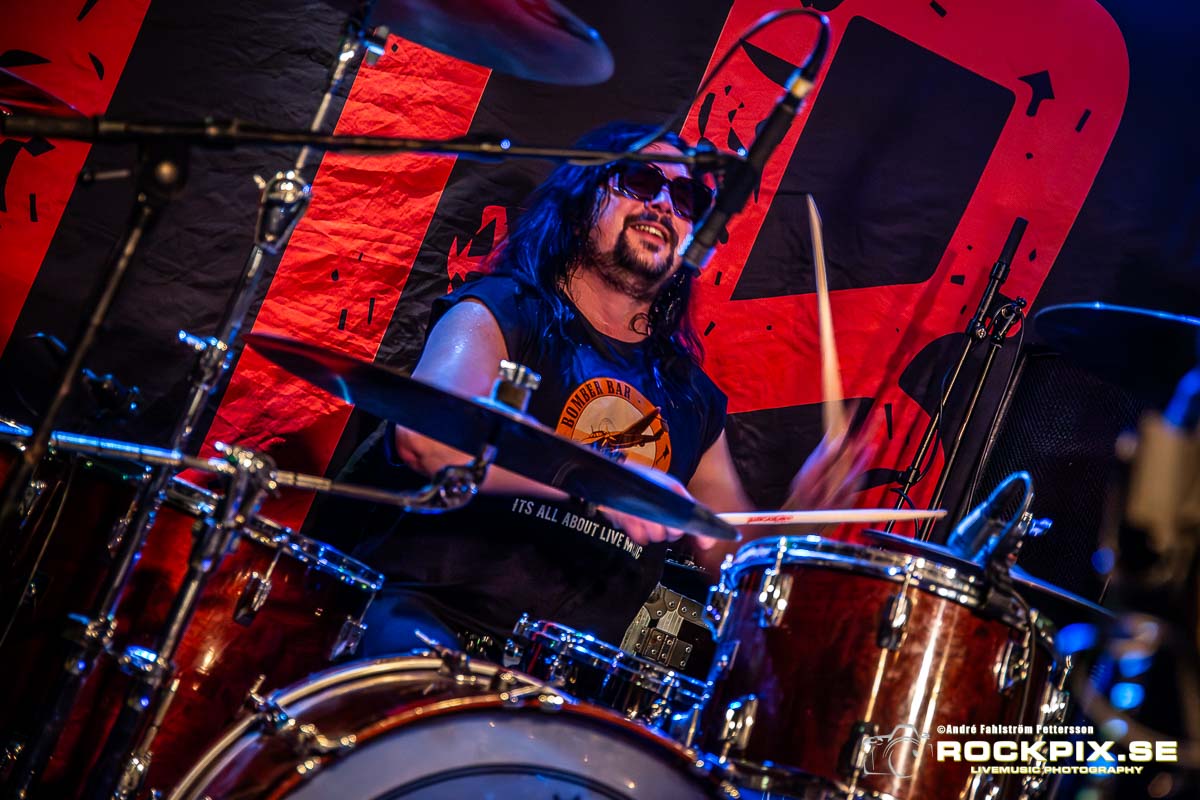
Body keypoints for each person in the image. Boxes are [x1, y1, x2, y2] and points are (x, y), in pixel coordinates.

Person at [317, 121, 869, 658]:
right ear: (581, 200)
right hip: (430, 625)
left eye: (686, 200)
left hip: (566, 676)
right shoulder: (501, 311)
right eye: (641, 181)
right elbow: (429, 440)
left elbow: (721, 547)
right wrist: (603, 481)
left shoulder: (690, 396)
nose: (664, 205)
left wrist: (799, 519)